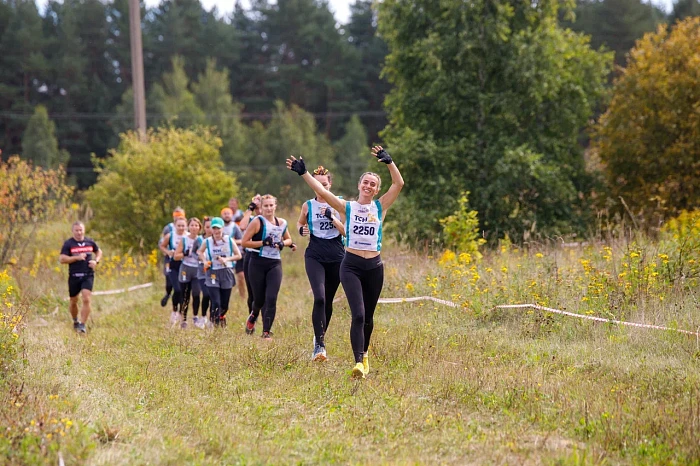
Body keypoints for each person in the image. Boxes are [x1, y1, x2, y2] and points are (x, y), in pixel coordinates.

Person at [287, 146, 404, 378]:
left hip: (374, 267)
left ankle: (365, 353)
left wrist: (390, 163)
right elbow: (322, 190)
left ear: (377, 189)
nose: (369, 186)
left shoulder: (380, 207)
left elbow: (398, 184)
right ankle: (358, 362)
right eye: (366, 182)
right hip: (350, 265)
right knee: (358, 315)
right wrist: (304, 173)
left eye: (373, 184)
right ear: (359, 186)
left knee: (368, 318)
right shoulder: (347, 207)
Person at [296, 166, 345, 361]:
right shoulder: (308, 205)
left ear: (330, 184)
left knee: (328, 301)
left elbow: (345, 231)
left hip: (336, 256)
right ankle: (320, 346)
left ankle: (319, 335)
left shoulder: (340, 204)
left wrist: (332, 218)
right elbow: (300, 223)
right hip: (314, 255)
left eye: (324, 184)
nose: (320, 188)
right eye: (316, 184)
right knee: (320, 298)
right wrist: (301, 230)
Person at [241, 195, 293, 339]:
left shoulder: (282, 222)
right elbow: (244, 242)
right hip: (257, 262)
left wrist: (284, 243)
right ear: (261, 208)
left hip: (274, 263)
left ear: (275, 206)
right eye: (266, 206)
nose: (269, 208)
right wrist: (262, 243)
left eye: (271, 205)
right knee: (258, 299)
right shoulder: (257, 222)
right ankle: (254, 314)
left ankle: (266, 332)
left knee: (271, 298)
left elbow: (289, 238)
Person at [197, 217, 242, 327]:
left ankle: (221, 317)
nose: (216, 231)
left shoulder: (229, 240)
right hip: (212, 272)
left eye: (218, 228)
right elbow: (200, 252)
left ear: (223, 228)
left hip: (226, 272)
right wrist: (204, 261)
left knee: (224, 304)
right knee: (216, 302)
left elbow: (238, 255)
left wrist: (227, 259)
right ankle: (215, 324)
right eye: (214, 228)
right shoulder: (207, 241)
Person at [59, 221, 103, 334]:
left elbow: (98, 252)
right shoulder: (69, 244)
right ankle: (75, 321)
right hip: (74, 276)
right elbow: (62, 259)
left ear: (84, 230)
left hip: (88, 275)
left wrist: (96, 261)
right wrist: (77, 258)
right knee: (74, 301)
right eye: (76, 230)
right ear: (73, 231)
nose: (79, 232)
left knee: (86, 298)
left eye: (81, 230)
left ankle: (82, 325)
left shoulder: (90, 242)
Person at [174, 217, 203, 329]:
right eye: (192, 225)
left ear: (199, 228)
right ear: (188, 227)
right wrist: (185, 254)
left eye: (196, 225)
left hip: (197, 269)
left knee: (196, 294)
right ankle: (183, 319)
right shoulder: (184, 239)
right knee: (185, 295)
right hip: (186, 268)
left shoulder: (201, 240)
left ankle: (195, 316)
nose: (194, 227)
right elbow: (176, 256)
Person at [160, 216, 187, 326]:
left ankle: (181, 313)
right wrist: (168, 252)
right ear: (175, 226)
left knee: (183, 290)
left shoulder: (188, 236)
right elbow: (162, 246)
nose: (181, 228)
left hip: (185, 265)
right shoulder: (170, 235)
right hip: (173, 265)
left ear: (186, 226)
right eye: (179, 225)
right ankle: (174, 311)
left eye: (183, 226)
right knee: (176, 288)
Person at [239, 195, 262, 319]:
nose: (259, 211)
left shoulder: (273, 221)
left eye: (261, 207)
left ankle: (266, 326)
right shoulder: (252, 219)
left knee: (266, 293)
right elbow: (242, 226)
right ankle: (252, 319)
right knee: (252, 293)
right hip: (251, 256)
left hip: (267, 257)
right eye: (257, 208)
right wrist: (251, 207)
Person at [222, 207, 247, 304]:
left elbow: (242, 241)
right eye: (225, 213)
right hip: (224, 256)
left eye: (229, 213)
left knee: (241, 276)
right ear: (222, 215)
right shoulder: (219, 226)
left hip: (237, 254)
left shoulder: (235, 227)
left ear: (232, 215)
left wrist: (231, 241)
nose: (227, 215)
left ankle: (242, 297)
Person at [195, 216, 213, 328]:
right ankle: (203, 317)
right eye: (207, 227)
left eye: (212, 227)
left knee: (213, 296)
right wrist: (202, 258)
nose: (210, 229)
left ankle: (212, 319)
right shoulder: (199, 240)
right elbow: (194, 253)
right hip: (202, 271)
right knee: (206, 294)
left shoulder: (219, 239)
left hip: (215, 271)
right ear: (204, 228)